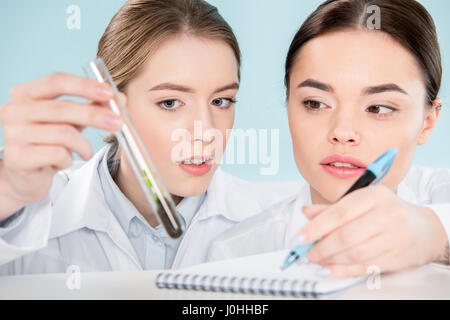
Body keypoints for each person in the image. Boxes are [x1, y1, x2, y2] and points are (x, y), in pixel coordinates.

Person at [0, 0, 301, 275]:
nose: (206, 132)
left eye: (221, 101)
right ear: (111, 104)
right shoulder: (24, 215)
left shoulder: (275, 223)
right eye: (170, 102)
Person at [207, 0, 450, 278]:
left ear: (427, 122)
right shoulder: (234, 254)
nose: (343, 132)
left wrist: (435, 238)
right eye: (315, 103)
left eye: (378, 108)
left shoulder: (439, 196)